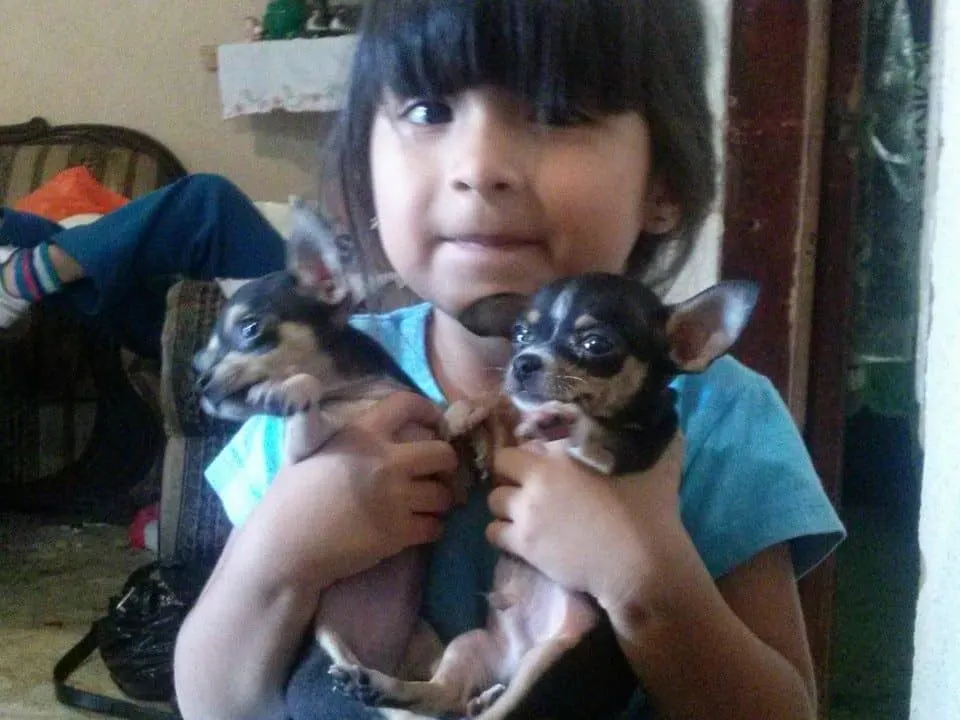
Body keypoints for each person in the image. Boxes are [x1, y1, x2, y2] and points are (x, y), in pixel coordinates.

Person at [173, 1, 846, 719]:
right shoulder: (323, 386)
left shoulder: (721, 421)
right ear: (365, 172)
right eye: (430, 110)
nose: (480, 168)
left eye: (556, 111)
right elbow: (215, 705)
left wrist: (643, 580)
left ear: (663, 186)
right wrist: (281, 550)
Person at [0, 174, 285, 358]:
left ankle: (24, 275)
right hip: (279, 331)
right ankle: (23, 274)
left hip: (274, 331)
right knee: (206, 201)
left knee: (206, 203)